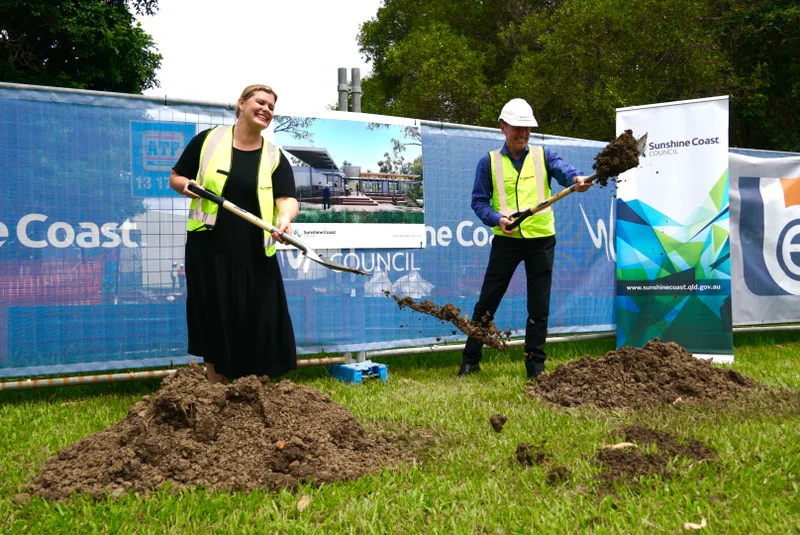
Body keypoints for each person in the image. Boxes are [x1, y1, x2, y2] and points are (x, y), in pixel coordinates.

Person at [169, 84, 298, 384]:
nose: (266, 109)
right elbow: (176, 177)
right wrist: (184, 185)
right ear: (241, 104)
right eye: (260, 102)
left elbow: (287, 198)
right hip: (209, 251)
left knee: (260, 322)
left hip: (255, 255)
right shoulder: (208, 140)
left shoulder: (275, 156)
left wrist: (285, 217)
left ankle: (256, 390)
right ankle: (218, 394)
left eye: (271, 107)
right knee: (215, 319)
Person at [458, 98, 592, 380]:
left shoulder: (544, 155)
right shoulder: (489, 162)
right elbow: (479, 202)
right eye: (517, 128)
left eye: (527, 128)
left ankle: (535, 367)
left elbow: (565, 171)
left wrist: (576, 179)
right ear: (502, 128)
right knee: (487, 303)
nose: (523, 134)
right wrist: (498, 220)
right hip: (506, 240)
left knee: (539, 305)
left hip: (541, 240)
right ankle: (470, 361)